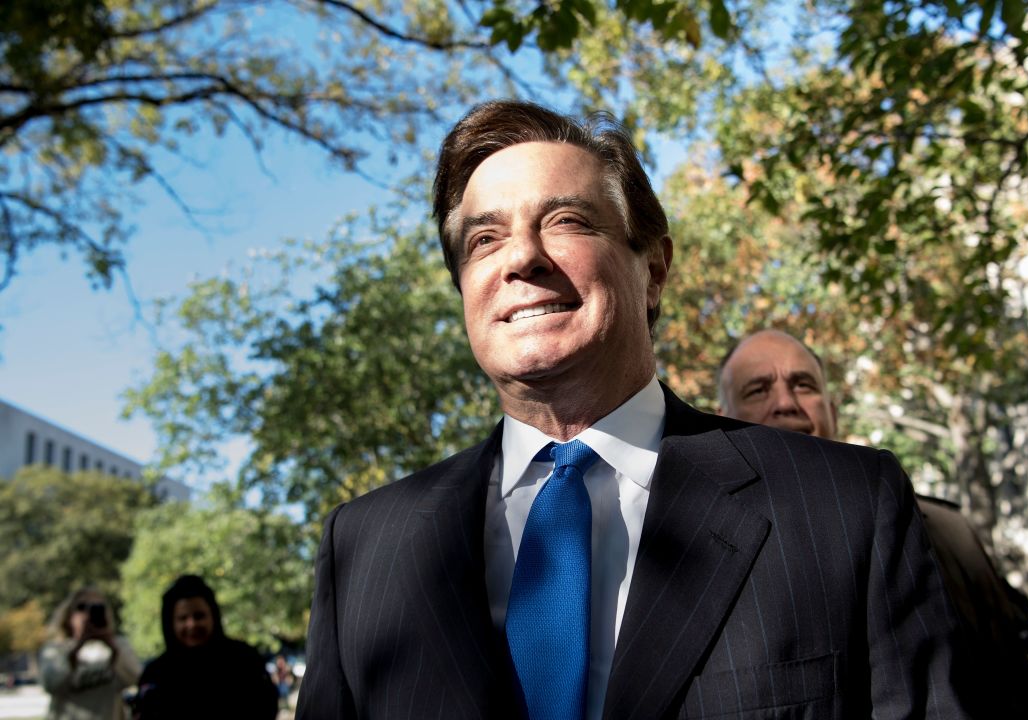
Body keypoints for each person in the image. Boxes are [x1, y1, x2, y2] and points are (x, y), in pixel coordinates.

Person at [297, 100, 969, 719]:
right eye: (485, 240)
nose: (522, 257)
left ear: (653, 269)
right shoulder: (364, 551)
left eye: (565, 221)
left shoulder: (844, 507)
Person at [717, 328, 1028, 719]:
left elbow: (1013, 684)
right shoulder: (702, 554)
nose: (786, 403)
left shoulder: (948, 529)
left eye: (804, 385)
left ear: (833, 410)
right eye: (758, 390)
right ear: (723, 421)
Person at [133, 575, 276, 720]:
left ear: (213, 616)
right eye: (183, 618)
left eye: (199, 616)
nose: (192, 624)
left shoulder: (244, 659)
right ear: (171, 623)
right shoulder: (156, 674)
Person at [38, 587, 141, 720]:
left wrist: (112, 648)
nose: (88, 614)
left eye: (97, 608)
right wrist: (76, 649)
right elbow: (51, 685)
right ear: (69, 615)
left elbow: (135, 678)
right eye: (81, 607)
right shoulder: (55, 650)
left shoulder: (119, 646)